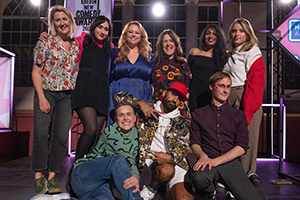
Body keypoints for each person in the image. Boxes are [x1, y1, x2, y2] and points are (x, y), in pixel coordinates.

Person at [188, 72, 267, 200]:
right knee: (198, 178)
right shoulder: (199, 114)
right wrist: (203, 156)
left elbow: (242, 146)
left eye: (228, 86)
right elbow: (195, 142)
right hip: (208, 160)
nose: (226, 91)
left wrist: (216, 161)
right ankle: (209, 193)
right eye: (222, 86)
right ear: (212, 87)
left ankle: (256, 183)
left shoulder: (238, 116)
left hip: (230, 164)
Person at [114, 81, 194, 200]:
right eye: (173, 94)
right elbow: (118, 97)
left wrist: (170, 158)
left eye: (179, 98)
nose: (175, 99)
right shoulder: (147, 108)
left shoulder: (181, 121)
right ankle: (153, 187)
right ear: (165, 92)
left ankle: (158, 185)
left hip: (173, 162)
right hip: (147, 160)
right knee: (166, 170)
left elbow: (183, 146)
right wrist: (139, 102)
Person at [31, 5, 79, 195]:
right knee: (42, 134)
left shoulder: (75, 45)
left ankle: (52, 177)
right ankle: (37, 176)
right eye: (57, 20)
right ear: (53, 24)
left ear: (70, 21)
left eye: (64, 19)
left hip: (66, 96)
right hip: (47, 92)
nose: (62, 23)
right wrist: (42, 97)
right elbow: (36, 71)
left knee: (60, 137)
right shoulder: (45, 42)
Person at [71, 101, 143, 200]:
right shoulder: (111, 132)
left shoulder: (139, 135)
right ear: (116, 119)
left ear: (135, 118)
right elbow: (126, 158)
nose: (125, 118)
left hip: (100, 185)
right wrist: (135, 176)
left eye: (129, 114)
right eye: (121, 115)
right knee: (118, 160)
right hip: (84, 176)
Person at [223, 18, 265, 176]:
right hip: (230, 98)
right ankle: (233, 178)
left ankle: (246, 178)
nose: (237, 34)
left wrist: (247, 109)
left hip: (246, 99)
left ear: (248, 33)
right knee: (232, 140)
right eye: (234, 31)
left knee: (246, 140)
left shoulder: (253, 51)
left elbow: (256, 82)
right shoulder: (232, 53)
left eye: (241, 30)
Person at [71, 16, 112, 160]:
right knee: (91, 129)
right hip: (84, 88)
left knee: (96, 135)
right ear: (93, 27)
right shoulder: (82, 40)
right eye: (100, 27)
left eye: (106, 29)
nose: (102, 31)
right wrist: (47, 36)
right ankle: (76, 167)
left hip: (101, 91)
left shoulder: (109, 48)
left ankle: (86, 170)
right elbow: (62, 41)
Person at [107, 21, 155, 125]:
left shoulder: (149, 56)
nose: (133, 35)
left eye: (137, 33)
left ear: (141, 36)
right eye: (130, 32)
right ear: (125, 34)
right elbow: (107, 75)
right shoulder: (114, 53)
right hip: (118, 95)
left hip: (142, 95)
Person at [188, 24, 227, 113]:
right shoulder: (195, 52)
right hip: (195, 94)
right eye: (208, 33)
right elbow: (187, 73)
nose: (210, 36)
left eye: (214, 34)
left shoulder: (222, 57)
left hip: (212, 95)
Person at [152, 29, 190, 117]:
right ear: (161, 45)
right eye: (165, 41)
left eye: (171, 41)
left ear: (176, 44)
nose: (168, 44)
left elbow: (187, 88)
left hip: (177, 107)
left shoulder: (182, 64)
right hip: (158, 107)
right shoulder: (155, 63)